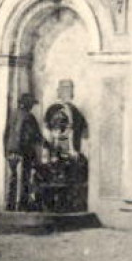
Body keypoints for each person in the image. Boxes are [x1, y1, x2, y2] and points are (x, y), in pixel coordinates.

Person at [40, 79, 90, 212]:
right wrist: (47, 151)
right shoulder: (56, 111)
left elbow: (78, 132)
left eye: (68, 89)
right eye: (65, 89)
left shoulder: (73, 111)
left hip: (67, 151)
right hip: (57, 152)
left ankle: (65, 204)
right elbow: (48, 133)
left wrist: (73, 149)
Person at [3, 92, 45, 211]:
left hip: (11, 152)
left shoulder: (12, 115)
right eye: (31, 104)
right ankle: (21, 204)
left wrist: (6, 151)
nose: (32, 107)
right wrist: (47, 145)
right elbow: (35, 136)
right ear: (27, 105)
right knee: (24, 178)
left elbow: (5, 134)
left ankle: (10, 205)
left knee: (12, 178)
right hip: (23, 152)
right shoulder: (29, 117)